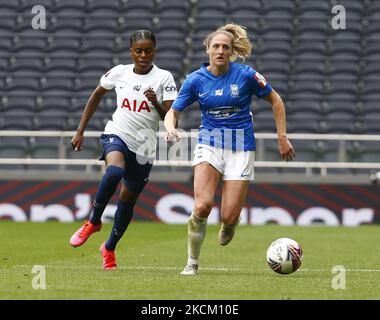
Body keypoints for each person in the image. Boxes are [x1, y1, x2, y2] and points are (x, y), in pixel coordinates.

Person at [164, 23, 295, 275]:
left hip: (241, 146)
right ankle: (192, 262)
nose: (221, 51)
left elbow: (276, 100)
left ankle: (230, 224)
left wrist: (282, 137)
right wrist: (171, 127)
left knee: (229, 217)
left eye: (225, 47)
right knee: (202, 206)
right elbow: (174, 111)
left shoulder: (246, 75)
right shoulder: (195, 80)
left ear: (232, 50)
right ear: (208, 50)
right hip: (209, 142)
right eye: (216, 46)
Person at [69, 30, 178, 270]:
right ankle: (94, 222)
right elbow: (96, 95)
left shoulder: (164, 78)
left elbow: (170, 118)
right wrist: (80, 130)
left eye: (148, 50)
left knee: (127, 201)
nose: (143, 55)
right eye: (138, 50)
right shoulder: (120, 72)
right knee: (114, 172)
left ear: (154, 51)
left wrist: (155, 103)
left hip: (144, 147)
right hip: (117, 133)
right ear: (131, 52)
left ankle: (109, 247)